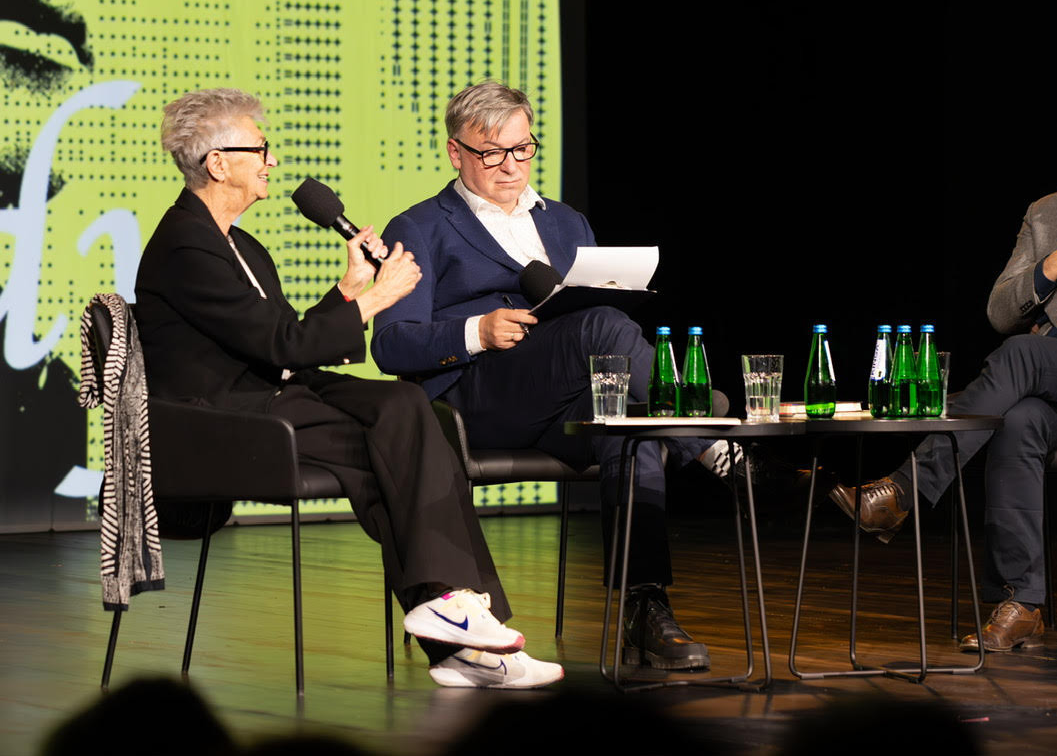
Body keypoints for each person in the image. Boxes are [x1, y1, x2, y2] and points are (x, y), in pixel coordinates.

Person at [133, 87, 562, 689]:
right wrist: (374, 301)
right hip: (225, 416)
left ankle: (455, 617)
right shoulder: (184, 244)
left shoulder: (243, 244)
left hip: (276, 391)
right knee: (385, 456)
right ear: (218, 163)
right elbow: (282, 345)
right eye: (259, 148)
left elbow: (278, 337)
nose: (271, 161)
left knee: (408, 405)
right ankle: (458, 626)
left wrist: (349, 291)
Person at [829, 69, 1057, 651]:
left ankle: (903, 490)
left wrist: (1051, 301)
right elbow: (1001, 308)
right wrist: (1049, 267)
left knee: (1025, 351)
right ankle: (1022, 601)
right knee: (1017, 422)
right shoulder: (1046, 210)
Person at [371, 80, 725, 671]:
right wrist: (475, 331)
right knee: (603, 325)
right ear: (456, 152)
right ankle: (716, 441)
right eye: (491, 153)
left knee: (629, 424)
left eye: (522, 149)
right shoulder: (420, 226)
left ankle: (646, 606)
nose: (509, 167)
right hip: (476, 399)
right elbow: (390, 344)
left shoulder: (565, 222)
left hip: (558, 398)